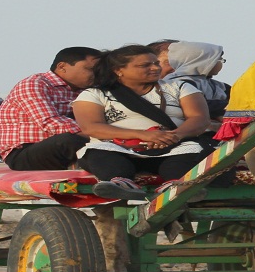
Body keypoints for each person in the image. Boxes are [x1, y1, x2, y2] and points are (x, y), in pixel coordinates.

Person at [72, 44, 213, 199]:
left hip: (173, 147)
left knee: (194, 151)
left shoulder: (179, 87)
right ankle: (121, 183)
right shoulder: (95, 94)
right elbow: (91, 127)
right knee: (97, 152)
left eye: (156, 63)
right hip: (119, 148)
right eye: (145, 65)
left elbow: (199, 118)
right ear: (118, 70)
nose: (155, 68)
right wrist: (143, 135)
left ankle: (176, 187)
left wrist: (174, 136)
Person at [0, 47, 101, 171]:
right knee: (68, 140)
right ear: (62, 67)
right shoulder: (35, 84)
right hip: (24, 152)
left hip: (69, 145)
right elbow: (50, 122)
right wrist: (102, 134)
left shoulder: (90, 91)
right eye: (90, 69)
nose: (96, 74)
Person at [161, 41, 230, 123]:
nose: (221, 63)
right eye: (219, 59)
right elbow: (202, 105)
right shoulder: (179, 83)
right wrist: (229, 106)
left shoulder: (218, 85)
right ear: (201, 61)